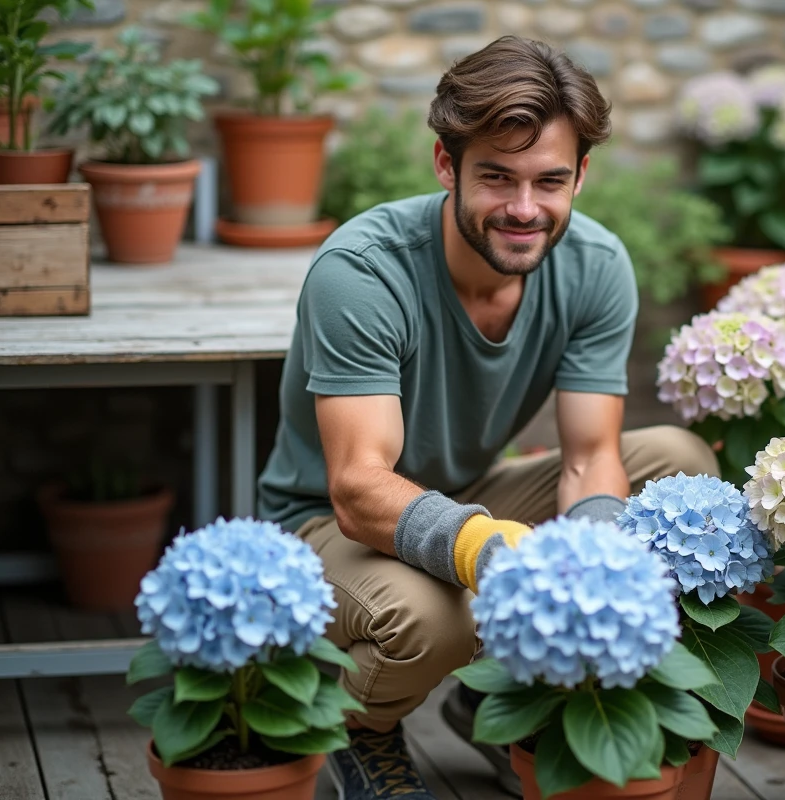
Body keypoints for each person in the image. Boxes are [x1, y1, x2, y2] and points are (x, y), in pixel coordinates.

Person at [255, 35, 719, 800]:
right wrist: (500, 556)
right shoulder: (363, 272)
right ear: (447, 165)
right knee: (433, 617)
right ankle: (350, 728)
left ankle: (496, 698)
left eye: (550, 182)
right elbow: (359, 488)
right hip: (324, 534)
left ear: (582, 176)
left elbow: (589, 456)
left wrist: (590, 573)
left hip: (469, 491)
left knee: (676, 462)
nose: (524, 210)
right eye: (496, 178)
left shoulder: (596, 265)